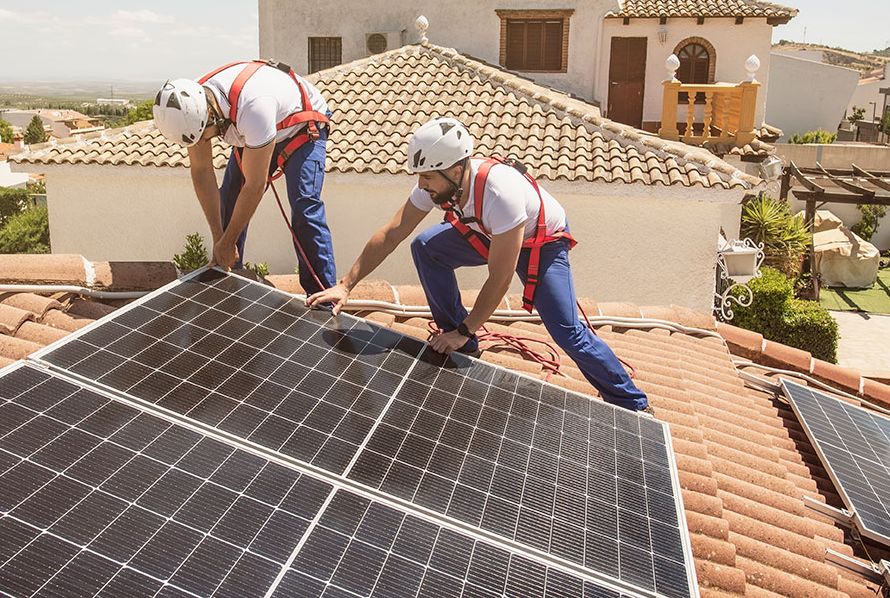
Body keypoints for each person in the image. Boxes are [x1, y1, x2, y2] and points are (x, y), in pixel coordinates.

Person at [306, 117, 649, 412]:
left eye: (428, 178)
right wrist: (346, 284)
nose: (421, 186)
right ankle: (460, 341)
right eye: (420, 177)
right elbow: (393, 231)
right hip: (487, 231)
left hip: (540, 242)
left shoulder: (500, 193)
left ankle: (632, 403)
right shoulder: (439, 183)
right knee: (425, 247)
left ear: (456, 170)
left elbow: (500, 279)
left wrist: (467, 327)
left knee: (566, 331)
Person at [154, 60, 336, 296]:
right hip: (254, 130)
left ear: (211, 114)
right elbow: (201, 172)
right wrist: (220, 238)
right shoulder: (191, 108)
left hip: (300, 127)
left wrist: (228, 241)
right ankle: (228, 280)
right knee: (229, 200)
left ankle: (323, 296)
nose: (201, 143)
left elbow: (255, 185)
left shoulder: (253, 108)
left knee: (304, 207)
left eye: (203, 137)